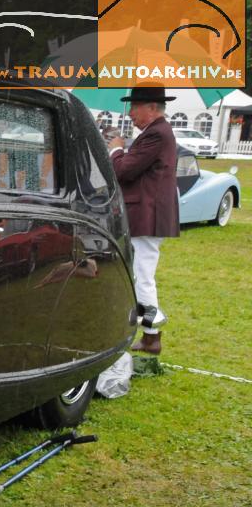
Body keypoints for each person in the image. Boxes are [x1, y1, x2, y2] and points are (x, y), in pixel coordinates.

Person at [108, 87, 179, 356]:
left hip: (147, 214)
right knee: (141, 273)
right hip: (148, 213)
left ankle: (152, 337)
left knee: (142, 276)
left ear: (151, 107)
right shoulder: (156, 133)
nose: (131, 113)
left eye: (135, 107)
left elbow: (124, 171)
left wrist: (116, 151)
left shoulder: (156, 134)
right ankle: (150, 336)